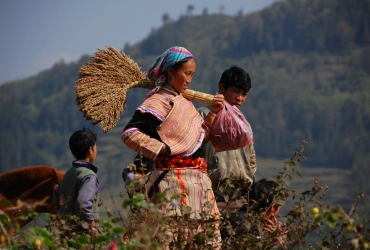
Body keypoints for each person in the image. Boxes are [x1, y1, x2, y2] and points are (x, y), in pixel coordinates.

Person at [120, 46, 225, 248]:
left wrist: (213, 113)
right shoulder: (156, 102)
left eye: (192, 75)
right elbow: (129, 134)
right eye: (186, 73)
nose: (189, 80)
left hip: (199, 186)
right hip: (170, 184)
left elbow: (199, 140)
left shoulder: (186, 104)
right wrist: (163, 149)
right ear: (170, 72)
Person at [198, 65, 256, 212]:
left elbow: (252, 161)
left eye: (244, 94)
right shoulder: (204, 116)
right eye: (236, 91)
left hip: (241, 199)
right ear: (222, 88)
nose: (240, 98)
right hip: (213, 198)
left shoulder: (244, 123)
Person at [54, 127, 100, 233]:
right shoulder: (89, 176)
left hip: (66, 233)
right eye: (95, 147)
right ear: (90, 150)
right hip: (82, 236)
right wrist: (93, 229)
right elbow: (83, 203)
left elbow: (57, 194)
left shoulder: (69, 173)